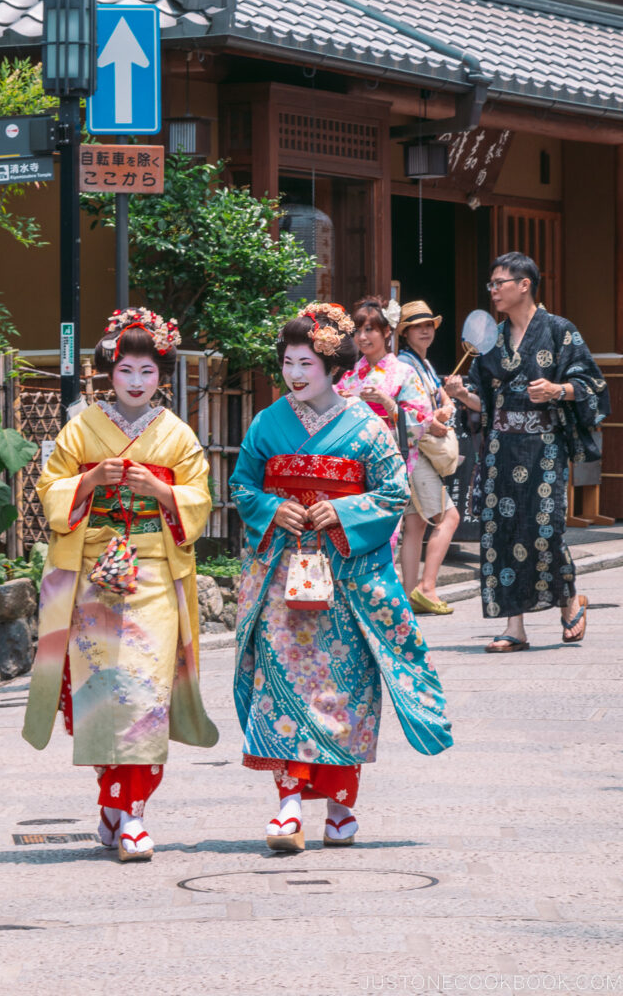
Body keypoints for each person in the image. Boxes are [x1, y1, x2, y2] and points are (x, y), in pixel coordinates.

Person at [230, 302, 453, 854]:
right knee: (280, 684)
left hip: (344, 577)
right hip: (285, 575)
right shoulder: (267, 422)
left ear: (332, 367)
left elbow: (393, 491)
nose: (295, 374)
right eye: (287, 363)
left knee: (344, 689)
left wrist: (345, 512)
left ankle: (340, 805)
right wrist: (268, 508)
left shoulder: (366, 427)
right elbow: (242, 486)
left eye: (306, 363)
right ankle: (286, 806)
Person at [22, 307, 218, 861]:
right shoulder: (81, 427)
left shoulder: (176, 436)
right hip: (95, 574)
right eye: (127, 370)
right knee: (102, 689)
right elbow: (47, 489)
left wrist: (160, 492)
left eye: (148, 372)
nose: (136, 382)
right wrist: (89, 479)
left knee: (145, 689)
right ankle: (112, 800)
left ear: (162, 376)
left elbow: (198, 502)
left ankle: (133, 813)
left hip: (154, 569)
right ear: (111, 371)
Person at [445, 254, 610, 653]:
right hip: (500, 449)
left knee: (545, 530)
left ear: (525, 284)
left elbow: (594, 386)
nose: (494, 290)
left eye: (500, 282)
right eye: (492, 283)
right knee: (500, 533)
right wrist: (461, 394)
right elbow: (484, 405)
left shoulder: (558, 331)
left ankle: (569, 599)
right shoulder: (490, 341)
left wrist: (557, 390)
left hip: (544, 448)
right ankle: (513, 626)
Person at [335, 296, 438, 597]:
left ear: (387, 333)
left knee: (387, 534)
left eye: (370, 330)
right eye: (358, 330)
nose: (363, 337)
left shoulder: (403, 373)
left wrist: (389, 404)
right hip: (355, 467)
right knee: (357, 532)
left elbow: (422, 421)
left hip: (391, 464)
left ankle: (387, 603)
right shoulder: (351, 376)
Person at [397, 301, 461, 616]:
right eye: (417, 326)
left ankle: (410, 594)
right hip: (415, 452)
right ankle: (428, 587)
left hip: (409, 453)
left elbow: (441, 397)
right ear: (405, 332)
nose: (425, 330)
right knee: (449, 517)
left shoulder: (422, 364)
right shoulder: (405, 365)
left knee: (415, 524)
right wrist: (435, 420)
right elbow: (409, 412)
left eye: (429, 325)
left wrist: (446, 406)